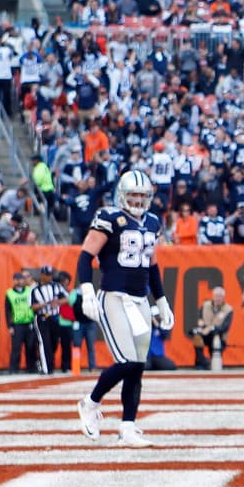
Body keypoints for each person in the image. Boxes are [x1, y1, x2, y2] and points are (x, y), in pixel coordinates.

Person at [76, 170, 174, 447]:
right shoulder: (109, 218)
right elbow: (86, 257)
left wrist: (162, 300)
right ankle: (90, 402)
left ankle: (128, 427)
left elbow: (152, 265)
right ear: (122, 194)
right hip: (114, 297)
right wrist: (86, 290)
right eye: (133, 194)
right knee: (127, 361)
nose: (137, 199)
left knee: (138, 366)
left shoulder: (153, 222)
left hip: (141, 300)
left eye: (142, 195)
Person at [30, 265, 67, 375]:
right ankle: (46, 368)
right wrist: (43, 305)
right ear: (42, 275)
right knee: (44, 342)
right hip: (42, 318)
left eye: (50, 275)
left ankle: (49, 363)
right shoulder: (35, 289)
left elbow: (67, 298)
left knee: (54, 342)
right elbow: (32, 306)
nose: (49, 277)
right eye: (47, 275)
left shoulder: (56, 286)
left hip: (54, 318)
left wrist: (58, 302)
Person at [192, 287, 233, 369]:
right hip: (205, 333)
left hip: (219, 335)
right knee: (197, 338)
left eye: (220, 296)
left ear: (223, 297)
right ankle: (202, 362)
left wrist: (212, 328)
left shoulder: (228, 309)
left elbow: (225, 327)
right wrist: (200, 322)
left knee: (216, 342)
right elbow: (199, 317)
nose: (218, 298)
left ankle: (213, 364)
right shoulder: (205, 305)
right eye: (217, 296)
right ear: (213, 296)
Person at [4, 271, 35, 373]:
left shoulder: (30, 290)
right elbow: (7, 311)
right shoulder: (9, 293)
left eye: (21, 279)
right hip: (18, 323)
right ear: (14, 281)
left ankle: (31, 368)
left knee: (30, 346)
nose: (19, 281)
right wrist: (10, 326)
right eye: (17, 279)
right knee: (16, 347)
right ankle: (14, 368)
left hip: (29, 322)